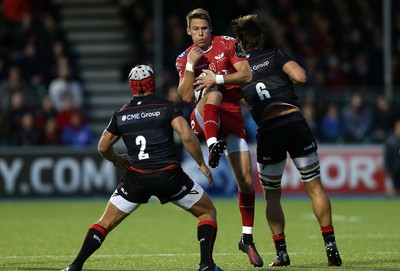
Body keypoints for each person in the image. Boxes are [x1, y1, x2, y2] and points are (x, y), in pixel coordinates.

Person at [60, 65, 223, 271]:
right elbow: (187, 136)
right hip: (170, 177)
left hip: (137, 179)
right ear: (152, 83)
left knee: (105, 223)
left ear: (131, 86)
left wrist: (117, 159)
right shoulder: (167, 107)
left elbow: (102, 146)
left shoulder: (121, 114)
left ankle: (75, 266)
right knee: (207, 211)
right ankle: (206, 265)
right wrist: (201, 164)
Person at [231, 14, 342, 267]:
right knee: (315, 188)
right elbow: (302, 77)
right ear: (261, 38)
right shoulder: (275, 55)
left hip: (269, 130)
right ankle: (331, 248)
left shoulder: (238, 70)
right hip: (294, 123)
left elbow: (243, 101)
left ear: (240, 42)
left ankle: (281, 253)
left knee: (272, 196)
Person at [175, 8, 263, 267]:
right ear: (188, 31)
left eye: (205, 28)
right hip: (203, 118)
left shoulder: (227, 44)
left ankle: (247, 238)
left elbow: (247, 74)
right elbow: (185, 95)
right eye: (196, 29)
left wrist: (218, 77)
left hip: (232, 116)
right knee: (212, 94)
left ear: (210, 28)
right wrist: (192, 65)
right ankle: (213, 145)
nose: (201, 34)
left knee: (246, 180)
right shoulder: (184, 58)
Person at [383, 118, 400, 196]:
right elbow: (387, 157)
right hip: (394, 172)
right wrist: (388, 170)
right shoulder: (390, 141)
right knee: (391, 193)